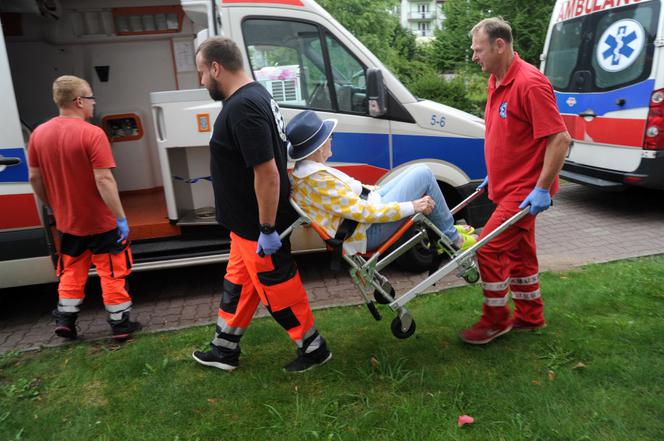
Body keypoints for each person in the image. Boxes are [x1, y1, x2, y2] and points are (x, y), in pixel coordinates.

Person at [191, 37, 331, 373]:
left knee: (277, 287)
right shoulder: (257, 96)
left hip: (257, 225)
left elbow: (268, 172)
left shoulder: (242, 107)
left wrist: (267, 228)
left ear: (216, 67)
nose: (201, 81)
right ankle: (224, 348)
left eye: (201, 73)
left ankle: (313, 348)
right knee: (238, 284)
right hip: (246, 225)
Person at [459, 18, 571, 344]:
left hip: (524, 191)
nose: (474, 57)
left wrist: (540, 188)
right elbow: (511, 136)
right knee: (521, 256)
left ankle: (495, 319)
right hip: (505, 186)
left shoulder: (529, 83)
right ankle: (530, 316)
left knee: (489, 248)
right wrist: (493, 174)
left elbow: (559, 140)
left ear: (499, 45)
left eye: (478, 50)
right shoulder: (497, 80)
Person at [28, 75, 141, 342]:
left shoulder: (38, 134)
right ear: (79, 101)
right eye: (91, 98)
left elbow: (34, 177)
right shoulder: (92, 133)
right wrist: (121, 218)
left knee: (71, 271)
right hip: (101, 222)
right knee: (113, 271)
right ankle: (120, 324)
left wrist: (53, 204)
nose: (93, 103)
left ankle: (66, 321)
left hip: (68, 222)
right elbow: (103, 179)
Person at [287, 110, 477, 257]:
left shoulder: (308, 172)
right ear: (319, 147)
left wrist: (386, 192)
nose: (331, 139)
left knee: (419, 171)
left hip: (366, 215)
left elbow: (357, 200)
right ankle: (453, 240)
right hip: (367, 232)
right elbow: (364, 213)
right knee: (424, 174)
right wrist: (412, 206)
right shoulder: (317, 180)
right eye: (329, 137)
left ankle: (445, 230)